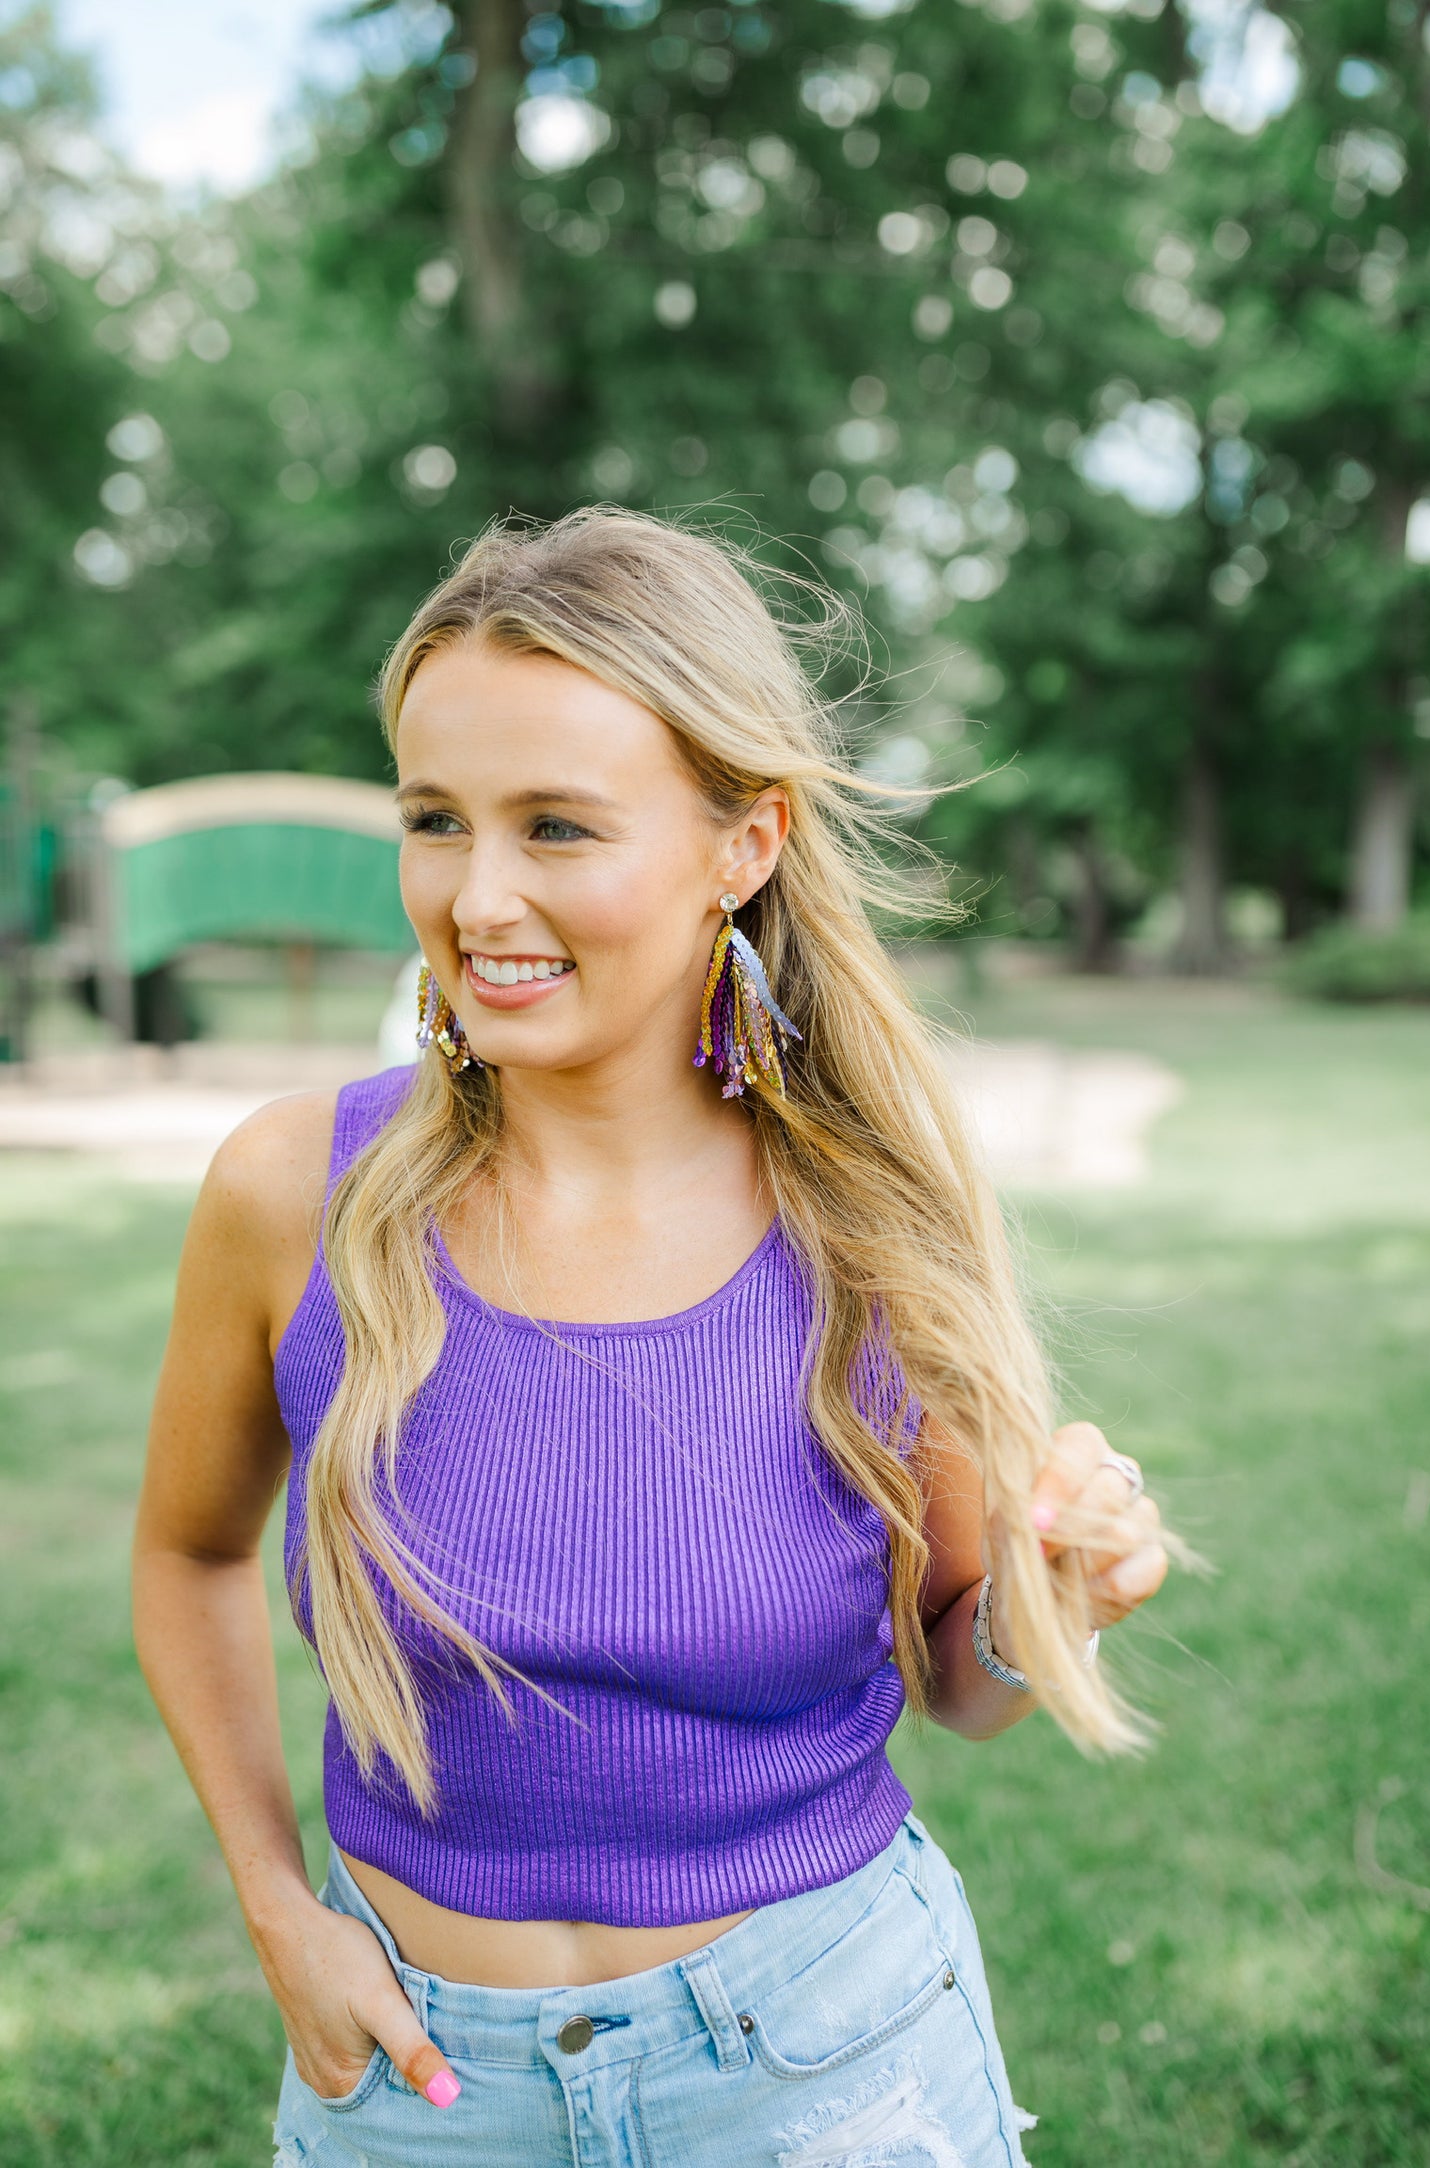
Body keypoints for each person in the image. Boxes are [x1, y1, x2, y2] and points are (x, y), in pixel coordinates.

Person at [132, 508, 1182, 2168]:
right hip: (415, 2085)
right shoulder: (290, 1194)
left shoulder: (873, 1220)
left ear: (740, 845)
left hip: (822, 2064)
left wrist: (1048, 1606)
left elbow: (957, 1687)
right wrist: (278, 1912)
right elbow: (189, 1557)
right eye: (433, 820)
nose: (478, 897)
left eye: (556, 825)